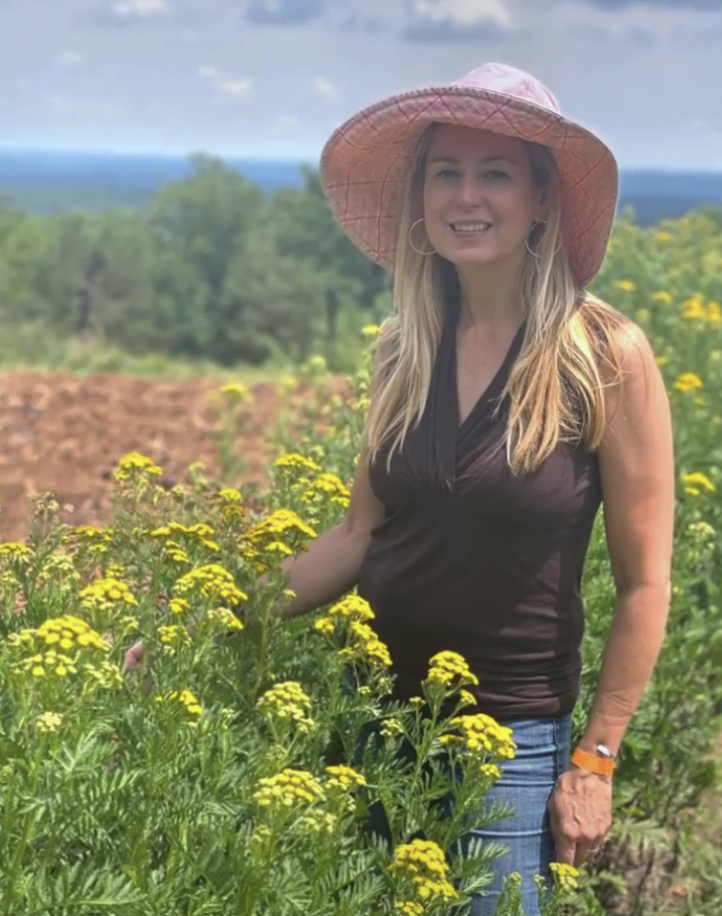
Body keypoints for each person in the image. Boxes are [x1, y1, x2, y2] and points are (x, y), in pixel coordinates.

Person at [126, 63, 675, 916]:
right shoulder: (404, 349)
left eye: (495, 172)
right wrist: (204, 620)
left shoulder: (604, 356)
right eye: (445, 172)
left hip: (511, 743)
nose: (468, 195)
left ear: (541, 198)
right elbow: (356, 537)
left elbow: (645, 586)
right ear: (421, 198)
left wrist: (594, 763)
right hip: (375, 723)